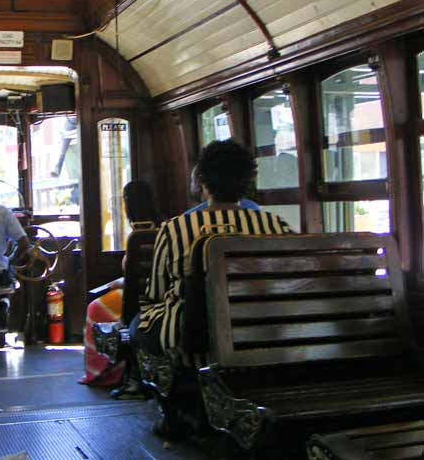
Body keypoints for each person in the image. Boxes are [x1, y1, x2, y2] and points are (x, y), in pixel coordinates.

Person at [134, 140, 292, 437]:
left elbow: (155, 291)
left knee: (139, 327)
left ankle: (173, 412)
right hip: (264, 332)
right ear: (247, 182)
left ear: (203, 182)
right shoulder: (274, 225)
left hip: (197, 338)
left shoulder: (176, 228)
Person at [79, 180, 164, 387]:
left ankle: (103, 371)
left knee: (94, 308)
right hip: (162, 297)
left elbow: (131, 276)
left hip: (136, 298)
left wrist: (118, 283)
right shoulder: (166, 228)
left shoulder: (136, 236)